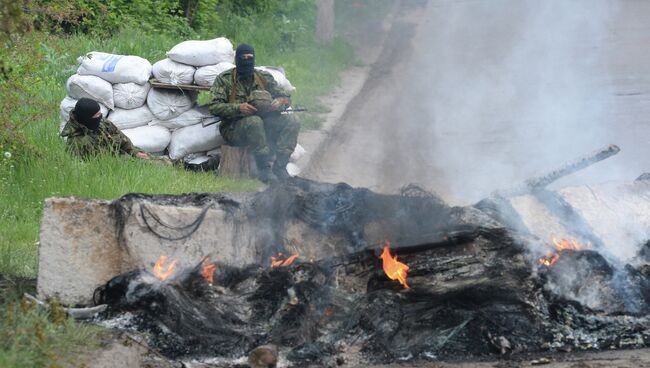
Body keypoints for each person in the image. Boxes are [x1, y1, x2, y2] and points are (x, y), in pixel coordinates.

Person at [207, 43, 300, 183]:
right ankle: (264, 169)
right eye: (243, 57)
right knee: (254, 121)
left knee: (293, 120)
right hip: (234, 128)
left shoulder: (263, 78)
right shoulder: (224, 79)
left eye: (249, 57)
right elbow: (214, 106)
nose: (246, 60)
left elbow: (285, 97)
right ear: (237, 59)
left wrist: (280, 102)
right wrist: (238, 108)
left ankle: (280, 167)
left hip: (265, 123)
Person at [60, 98, 150, 160]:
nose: (100, 117)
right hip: (116, 168)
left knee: (160, 161)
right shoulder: (76, 142)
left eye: (100, 114)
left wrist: (135, 152)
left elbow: (122, 139)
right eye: (97, 115)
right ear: (86, 119)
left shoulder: (103, 124)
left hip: (127, 157)